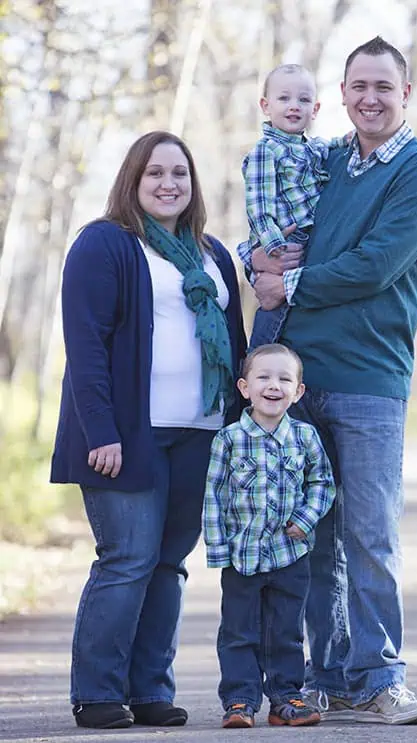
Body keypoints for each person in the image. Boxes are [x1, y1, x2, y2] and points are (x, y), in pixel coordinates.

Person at [250, 37, 417, 725]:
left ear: (404, 95)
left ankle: (382, 676)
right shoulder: (325, 159)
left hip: (369, 380)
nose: (369, 97)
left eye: (382, 87)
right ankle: (329, 676)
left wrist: (288, 282)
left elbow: (374, 265)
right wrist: (257, 261)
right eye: (357, 85)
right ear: (342, 92)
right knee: (314, 537)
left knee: (369, 534)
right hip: (301, 379)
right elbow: (274, 214)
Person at [50, 131, 246, 730]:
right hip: (127, 435)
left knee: (169, 562)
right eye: (155, 173)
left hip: (201, 431)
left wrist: (239, 430)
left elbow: (233, 346)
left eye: (180, 174)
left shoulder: (210, 252)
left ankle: (150, 689)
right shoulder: (105, 244)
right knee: (128, 558)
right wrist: (100, 431)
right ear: (132, 180)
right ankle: (98, 693)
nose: (169, 184)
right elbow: (86, 348)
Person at [202, 343, 335, 729]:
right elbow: (214, 495)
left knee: (286, 631)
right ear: (245, 388)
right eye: (263, 377)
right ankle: (240, 700)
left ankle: (286, 698)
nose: (273, 386)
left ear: (298, 392)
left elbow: (322, 483)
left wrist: (306, 519)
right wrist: (218, 550)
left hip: (290, 555)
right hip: (242, 556)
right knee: (238, 632)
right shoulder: (228, 440)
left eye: (284, 379)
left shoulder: (306, 438)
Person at [237, 64, 347, 348]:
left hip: (312, 238)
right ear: (266, 106)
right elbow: (259, 207)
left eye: (304, 99)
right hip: (285, 238)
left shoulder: (310, 148)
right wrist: (275, 247)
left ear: (316, 109)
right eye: (284, 98)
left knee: (298, 312)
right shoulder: (266, 151)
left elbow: (331, 145)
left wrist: (346, 141)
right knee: (273, 311)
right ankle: (256, 360)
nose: (294, 106)